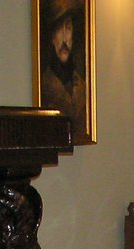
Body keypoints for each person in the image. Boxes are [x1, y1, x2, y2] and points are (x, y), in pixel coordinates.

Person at [40, 0, 88, 142]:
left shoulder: (82, 87)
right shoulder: (44, 85)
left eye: (68, 28)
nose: (64, 39)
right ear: (52, 37)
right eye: (58, 29)